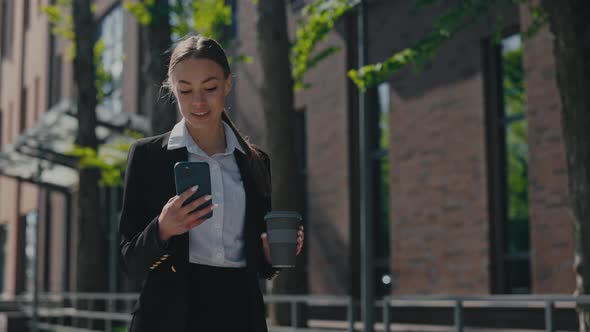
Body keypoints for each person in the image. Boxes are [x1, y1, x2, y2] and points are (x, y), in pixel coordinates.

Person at [119, 34, 305, 332]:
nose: (199, 101)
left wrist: (270, 256)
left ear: (228, 84)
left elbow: (257, 263)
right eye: (185, 90)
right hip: (169, 317)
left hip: (240, 314)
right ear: (172, 89)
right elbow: (129, 263)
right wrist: (163, 228)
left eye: (210, 87)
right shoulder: (148, 157)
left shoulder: (255, 162)